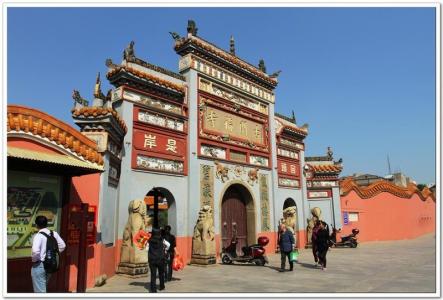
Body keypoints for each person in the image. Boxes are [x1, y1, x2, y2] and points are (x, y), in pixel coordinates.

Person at [31, 215, 66, 293]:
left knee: (40, 292)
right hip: (50, 264)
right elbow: (63, 246)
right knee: (43, 287)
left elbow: (35, 251)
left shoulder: (38, 236)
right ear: (47, 224)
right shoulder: (54, 233)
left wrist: (35, 261)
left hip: (39, 265)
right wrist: (53, 254)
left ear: (36, 225)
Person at [148, 228, 170, 293]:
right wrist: (165, 249)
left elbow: (146, 249)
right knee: (161, 273)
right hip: (160, 259)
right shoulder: (162, 240)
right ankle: (162, 286)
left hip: (152, 259)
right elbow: (168, 245)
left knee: (153, 275)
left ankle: (153, 289)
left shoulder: (149, 240)